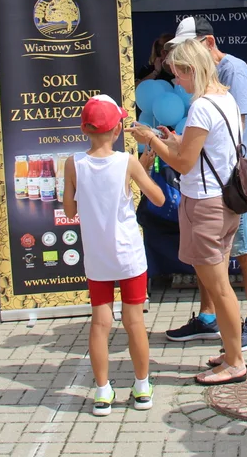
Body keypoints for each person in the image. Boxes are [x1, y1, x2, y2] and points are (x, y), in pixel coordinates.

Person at [127, 38, 247, 385]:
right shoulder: (224, 99)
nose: (176, 82)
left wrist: (151, 141)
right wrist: (176, 140)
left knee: (220, 288)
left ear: (191, 70)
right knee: (222, 284)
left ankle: (236, 362)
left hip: (205, 205)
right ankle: (231, 351)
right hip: (225, 203)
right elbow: (210, 149)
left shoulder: (201, 107)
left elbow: (182, 162)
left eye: (178, 75)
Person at [161, 16, 247, 351]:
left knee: (245, 252)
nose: (177, 77)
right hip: (214, 184)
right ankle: (210, 319)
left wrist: (161, 144)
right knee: (212, 265)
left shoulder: (231, 75)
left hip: (229, 184)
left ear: (206, 45)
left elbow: (236, 130)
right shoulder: (207, 95)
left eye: (182, 62)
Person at [62, 95, 164, 416]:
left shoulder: (72, 164)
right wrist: (143, 171)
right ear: (119, 129)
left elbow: (69, 209)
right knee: (134, 322)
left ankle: (103, 391)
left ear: (84, 129)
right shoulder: (127, 162)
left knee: (99, 323)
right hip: (129, 254)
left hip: (96, 255)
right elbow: (159, 199)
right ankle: (142, 386)